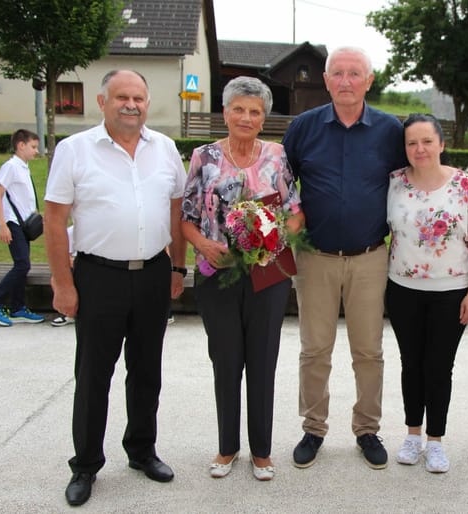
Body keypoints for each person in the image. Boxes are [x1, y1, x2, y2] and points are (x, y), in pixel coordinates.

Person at [44, 69, 187, 506]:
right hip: (97, 276)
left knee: (146, 372)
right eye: (121, 96)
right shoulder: (74, 150)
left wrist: (177, 269)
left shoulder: (164, 149)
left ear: (148, 102)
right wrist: (63, 284)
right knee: (93, 375)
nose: (131, 104)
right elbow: (54, 219)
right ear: (102, 101)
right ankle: (85, 465)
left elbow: (177, 209)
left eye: (139, 97)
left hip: (152, 275)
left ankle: (142, 451)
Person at [282, 46, 407, 469]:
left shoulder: (391, 130)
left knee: (368, 351)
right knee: (315, 349)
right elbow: (283, 186)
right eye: (338, 73)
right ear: (326, 78)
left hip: (370, 257)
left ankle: (367, 428)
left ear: (369, 81)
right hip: (314, 257)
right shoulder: (303, 127)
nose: (347, 81)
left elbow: (413, 180)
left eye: (356, 73)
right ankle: (313, 428)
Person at [181, 76, 304, 482]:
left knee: (263, 361)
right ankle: (227, 447)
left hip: (268, 273)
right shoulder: (204, 156)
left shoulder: (278, 155)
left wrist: (277, 231)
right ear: (225, 112)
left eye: (254, 111)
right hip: (218, 275)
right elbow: (187, 219)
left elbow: (295, 209)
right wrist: (203, 245)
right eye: (239, 109)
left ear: (264, 116)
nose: (246, 117)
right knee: (226, 360)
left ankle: (262, 451)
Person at [386, 114, 468, 473]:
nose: (420, 149)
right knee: (411, 364)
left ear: (441, 144)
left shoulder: (464, 184)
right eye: (412, 142)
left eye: (427, 141)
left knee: (439, 366)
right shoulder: (394, 183)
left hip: (451, 292)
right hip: (402, 290)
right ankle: (412, 434)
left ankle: (435, 440)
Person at [0, 129, 45, 327]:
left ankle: (17, 307)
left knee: (23, 265)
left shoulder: (23, 167)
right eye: (33, 146)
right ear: (20, 145)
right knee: (22, 264)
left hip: (23, 224)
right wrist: (3, 225)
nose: (36, 151)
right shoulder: (11, 166)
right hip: (12, 223)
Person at [50, 225, 76, 327]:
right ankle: (69, 315)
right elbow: (64, 257)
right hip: (77, 266)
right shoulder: (70, 232)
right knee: (55, 280)